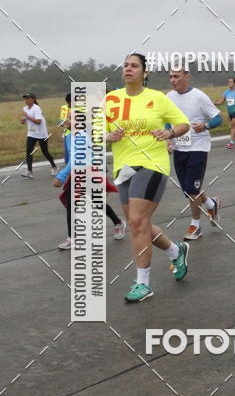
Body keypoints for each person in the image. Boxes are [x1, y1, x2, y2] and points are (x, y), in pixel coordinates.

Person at [104, 53, 191, 303]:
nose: (128, 69)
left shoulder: (157, 99)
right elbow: (96, 133)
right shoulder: (111, 100)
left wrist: (169, 132)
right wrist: (107, 137)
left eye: (134, 66)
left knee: (138, 222)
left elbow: (183, 124)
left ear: (145, 72)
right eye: (126, 65)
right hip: (123, 168)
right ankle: (176, 251)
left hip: (152, 164)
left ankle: (143, 283)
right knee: (136, 223)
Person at [52, 114, 126, 249]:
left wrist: (61, 176)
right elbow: (71, 158)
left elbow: (77, 158)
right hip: (77, 174)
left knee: (97, 203)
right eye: (67, 117)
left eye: (71, 118)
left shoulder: (85, 137)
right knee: (71, 204)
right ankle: (72, 237)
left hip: (89, 173)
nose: (67, 119)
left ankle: (118, 223)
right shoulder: (69, 136)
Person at [167, 68, 223, 241]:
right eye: (170, 77)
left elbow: (218, 118)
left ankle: (195, 225)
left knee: (192, 189)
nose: (172, 80)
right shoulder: (169, 97)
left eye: (176, 76)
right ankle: (211, 204)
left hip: (198, 147)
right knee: (188, 190)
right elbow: (167, 121)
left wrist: (205, 126)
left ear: (187, 77)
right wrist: (168, 138)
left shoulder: (199, 96)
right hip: (179, 148)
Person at [20, 93, 57, 178]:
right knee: (29, 152)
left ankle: (54, 167)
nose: (26, 100)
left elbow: (38, 121)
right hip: (31, 133)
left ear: (33, 99)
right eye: (25, 99)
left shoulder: (37, 108)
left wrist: (28, 117)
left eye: (28, 98)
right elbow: (26, 119)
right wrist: (23, 120)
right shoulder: (25, 108)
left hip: (41, 133)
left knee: (45, 152)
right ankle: (30, 171)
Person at [215, 77, 235, 149]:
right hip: (230, 112)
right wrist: (214, 103)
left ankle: (231, 143)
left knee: (233, 125)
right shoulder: (226, 92)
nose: (230, 83)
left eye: (231, 82)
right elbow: (221, 101)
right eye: (229, 82)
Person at [59, 92, 72, 164]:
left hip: (78, 133)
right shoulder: (64, 108)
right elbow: (61, 122)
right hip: (68, 133)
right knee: (68, 151)